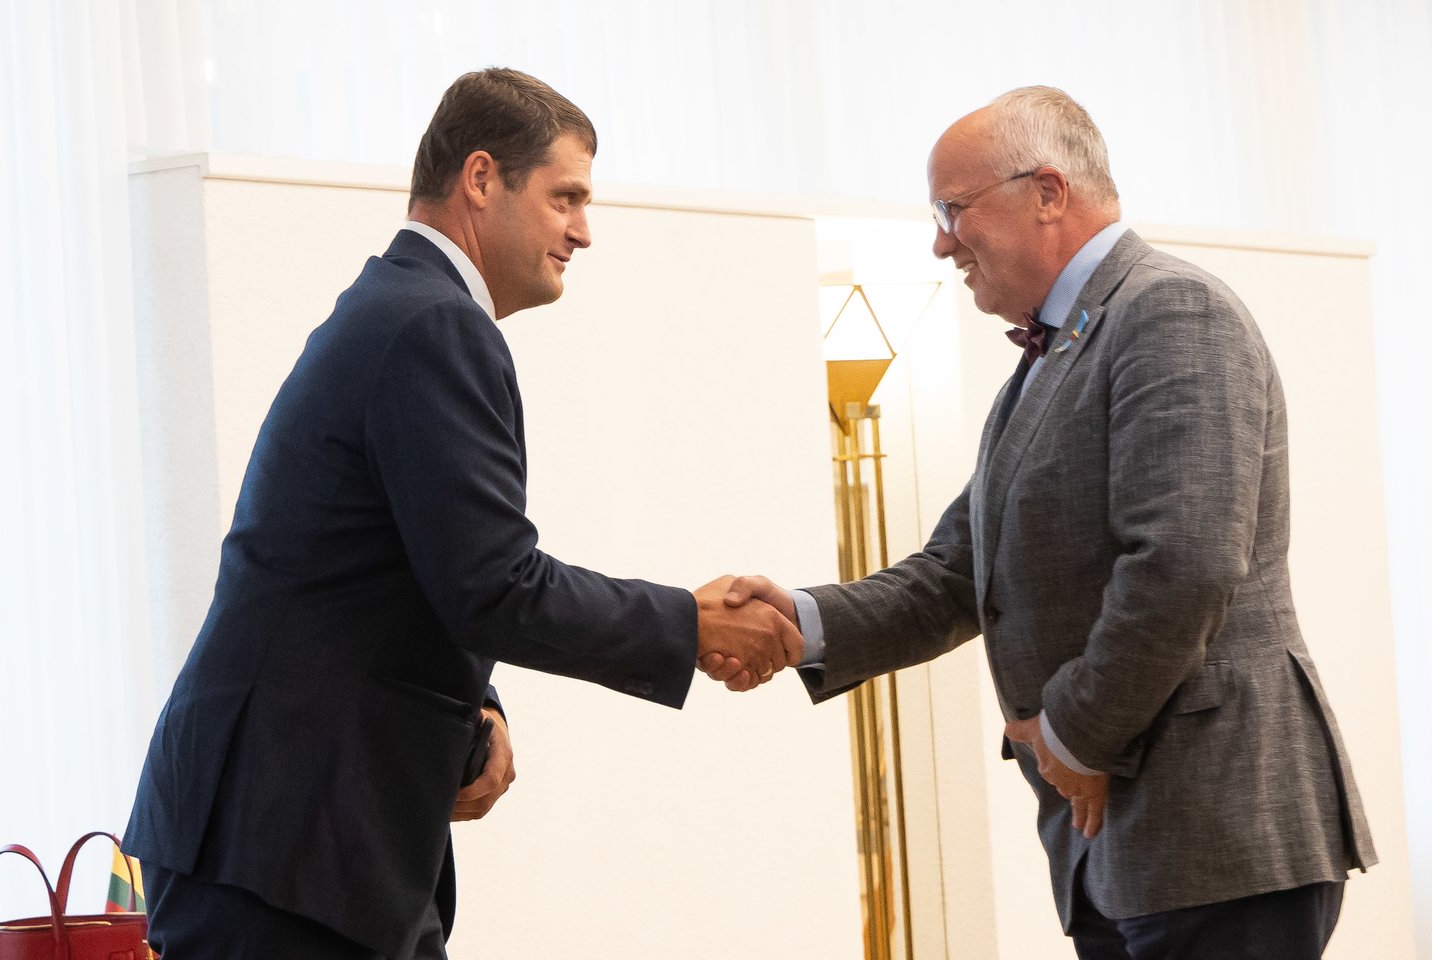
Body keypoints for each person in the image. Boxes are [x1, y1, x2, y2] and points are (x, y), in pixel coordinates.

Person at [123, 67, 800, 960]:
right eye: (566, 198)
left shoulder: (403, 309)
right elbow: (494, 585)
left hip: (290, 843)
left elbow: (401, 563)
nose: (584, 231)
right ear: (481, 178)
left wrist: (477, 703)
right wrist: (691, 620)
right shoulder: (432, 324)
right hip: (283, 850)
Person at [706, 86, 1375, 959]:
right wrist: (801, 621)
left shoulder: (1173, 311)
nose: (941, 241)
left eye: (952, 210)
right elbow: (957, 572)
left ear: (1049, 192)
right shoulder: (1052, 356)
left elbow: (1184, 564)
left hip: (1217, 831)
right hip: (1123, 850)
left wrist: (1070, 735)